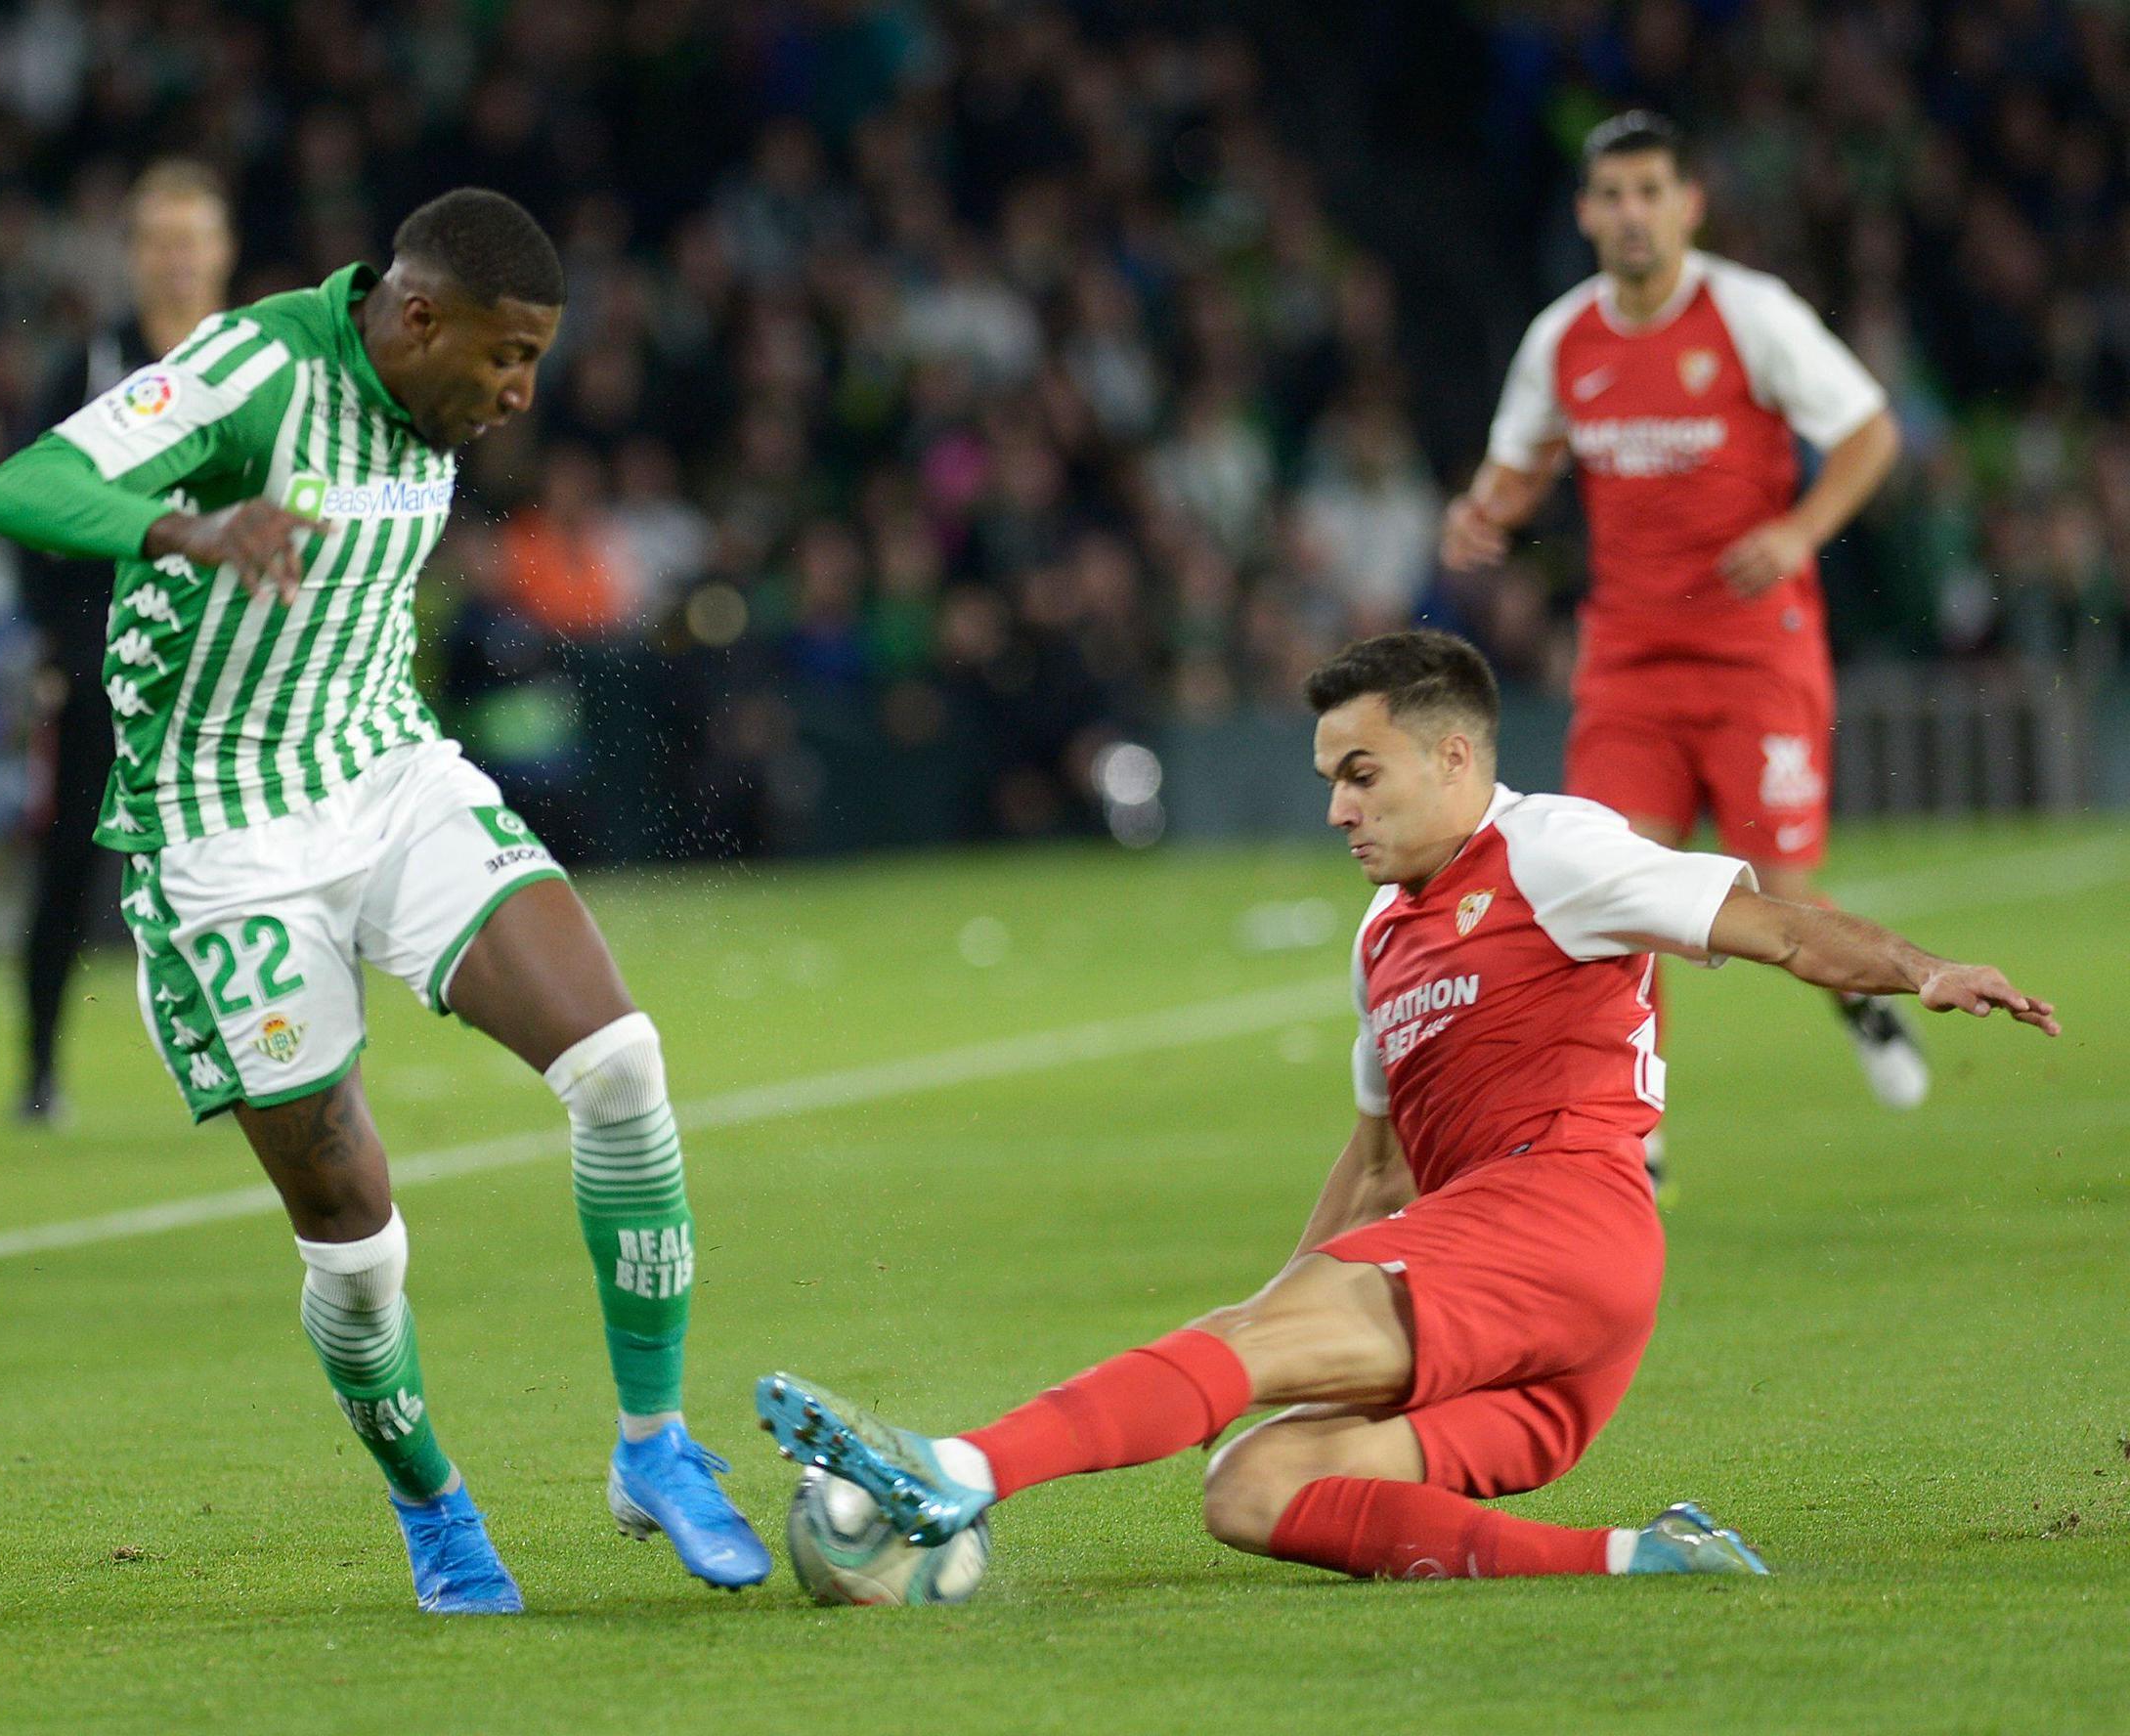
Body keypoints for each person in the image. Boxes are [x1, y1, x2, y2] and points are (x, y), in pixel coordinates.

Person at [755, 629, 2055, 1583]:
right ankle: (1634, 1563)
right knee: (1254, 1486)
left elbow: (1773, 925)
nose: (1337, 808)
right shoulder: (1385, 936)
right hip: (1555, 1349)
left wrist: (1922, 969)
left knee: (1252, 1348)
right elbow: (1378, 1170)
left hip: (1565, 1215)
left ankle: (957, 1469)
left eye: (1362, 774)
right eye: (1330, 776)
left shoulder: (1558, 849)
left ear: (1451, 756)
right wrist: (1277, 1309)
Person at [0, 188, 770, 1611]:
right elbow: (22, 486)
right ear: (418, 319)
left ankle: (655, 1446)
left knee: (622, 1066)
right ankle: (436, 1510)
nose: (522, 394)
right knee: (353, 1234)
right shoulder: (253, 371)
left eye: (536, 361)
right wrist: (186, 533)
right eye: (506, 358)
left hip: (383, 772)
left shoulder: (437, 404)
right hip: (223, 840)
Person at [1441, 111, 1922, 1188]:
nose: (1631, 215)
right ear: (1584, 213)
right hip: (1628, 658)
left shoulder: (1750, 316)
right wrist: (1485, 511)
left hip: (1757, 653)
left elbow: (1869, 430)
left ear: (1687, 204)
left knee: (1785, 883)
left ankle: (1862, 1000)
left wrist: (1797, 530)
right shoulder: (1562, 338)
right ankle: (1632, 1136)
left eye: (1650, 191)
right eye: (1611, 196)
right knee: (1615, 888)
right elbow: (1520, 465)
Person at [15, 159, 238, 1126]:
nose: (176, 261)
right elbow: (31, 506)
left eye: (191, 241)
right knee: (72, 859)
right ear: (132, 256)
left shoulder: (249, 362)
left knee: (245, 862)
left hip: (230, 660)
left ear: (222, 253)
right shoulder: (90, 368)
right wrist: (61, 651)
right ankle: (38, 1071)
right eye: (158, 241)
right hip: (112, 658)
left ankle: (264, 1062)